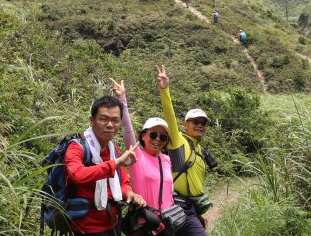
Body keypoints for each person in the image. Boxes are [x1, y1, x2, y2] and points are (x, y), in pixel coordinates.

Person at [64, 96, 146, 235]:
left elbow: (122, 183)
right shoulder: (76, 147)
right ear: (92, 120)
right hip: (84, 228)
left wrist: (130, 194)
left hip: (112, 225)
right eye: (103, 119)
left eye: (115, 120)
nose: (110, 125)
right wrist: (116, 163)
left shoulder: (113, 150)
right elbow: (77, 175)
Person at [157, 65, 210, 236]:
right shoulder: (178, 140)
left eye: (203, 123)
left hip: (191, 207)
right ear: (185, 125)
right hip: (178, 206)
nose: (200, 125)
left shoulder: (199, 149)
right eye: (195, 122)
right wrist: (165, 89)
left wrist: (199, 213)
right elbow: (169, 116)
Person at [110, 78, 174, 213]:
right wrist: (122, 98)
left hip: (168, 223)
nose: (157, 139)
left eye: (163, 136)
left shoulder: (166, 159)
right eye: (153, 134)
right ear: (143, 135)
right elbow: (127, 128)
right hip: (146, 221)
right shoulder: (137, 155)